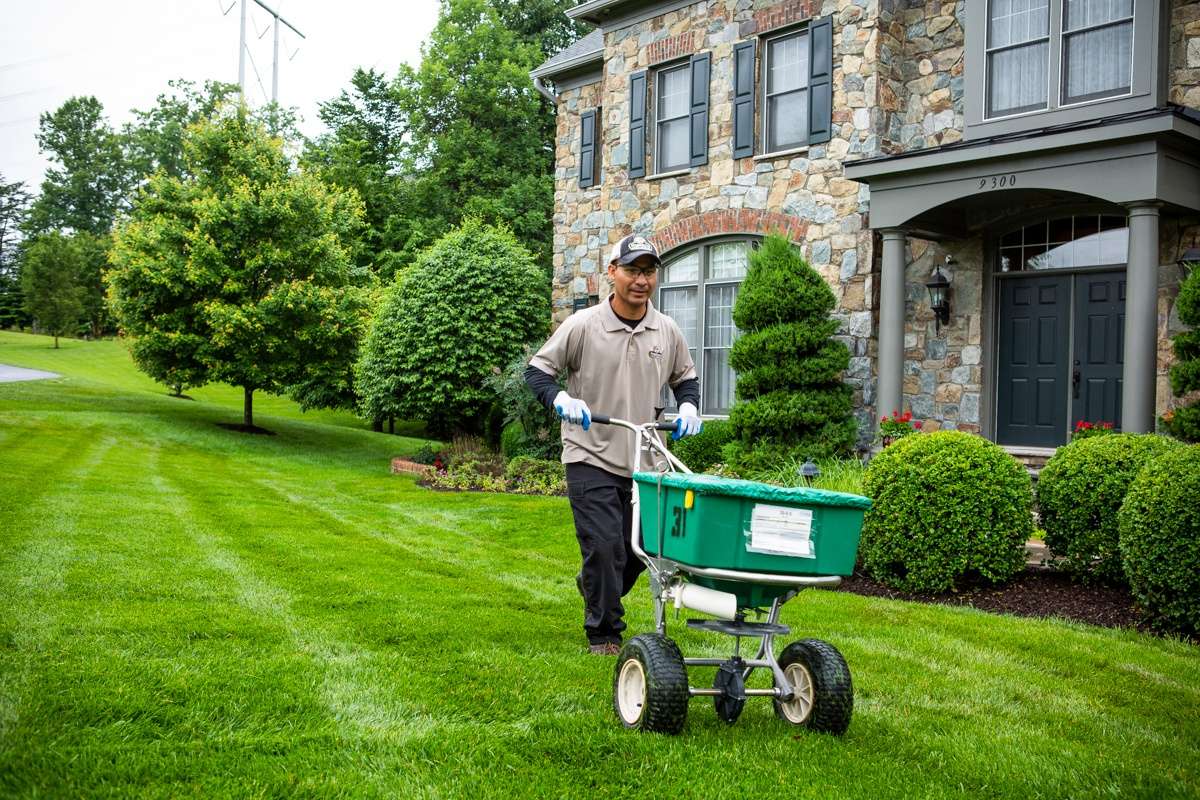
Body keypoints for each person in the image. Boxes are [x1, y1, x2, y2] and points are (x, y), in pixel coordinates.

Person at [525, 233, 702, 655]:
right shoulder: (583, 325)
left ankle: (595, 585)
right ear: (613, 274)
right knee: (604, 547)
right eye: (632, 270)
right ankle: (604, 634)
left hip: (644, 460)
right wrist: (561, 399)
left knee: (637, 552)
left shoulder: (667, 330)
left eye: (648, 271)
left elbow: (686, 379)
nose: (641, 280)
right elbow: (537, 372)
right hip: (590, 453)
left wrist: (690, 408)